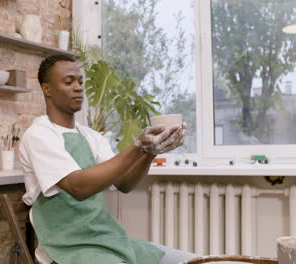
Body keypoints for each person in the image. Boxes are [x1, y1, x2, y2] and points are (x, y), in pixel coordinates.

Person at [19, 54, 198, 264]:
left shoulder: (90, 136)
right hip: (67, 248)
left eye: (80, 82)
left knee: (195, 261)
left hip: (107, 240)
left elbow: (125, 183)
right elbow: (78, 187)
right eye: (68, 82)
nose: (78, 87)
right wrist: (138, 146)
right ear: (46, 89)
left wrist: (150, 152)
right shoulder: (39, 135)